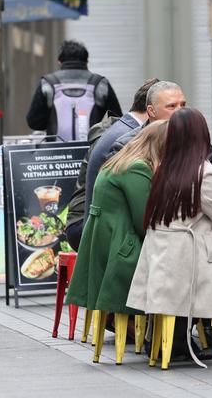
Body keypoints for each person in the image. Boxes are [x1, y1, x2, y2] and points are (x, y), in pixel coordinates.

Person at [127, 108, 212, 366]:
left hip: (164, 256)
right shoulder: (206, 173)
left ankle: (176, 344)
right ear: (202, 135)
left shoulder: (163, 168)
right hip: (189, 262)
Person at [66, 120, 168, 321]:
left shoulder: (121, 161)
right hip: (121, 251)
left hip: (107, 244)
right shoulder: (136, 168)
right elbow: (144, 223)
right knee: (180, 260)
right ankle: (172, 329)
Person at [63, 78, 159, 250]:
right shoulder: (128, 137)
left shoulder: (121, 129)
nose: (178, 113)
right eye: (171, 106)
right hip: (88, 225)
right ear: (151, 110)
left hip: (86, 219)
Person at [26, 39, 122, 141]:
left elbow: (34, 122)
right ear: (86, 61)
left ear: (59, 61)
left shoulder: (47, 84)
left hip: (56, 153)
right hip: (92, 153)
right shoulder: (100, 84)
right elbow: (116, 120)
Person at [107, 80, 186, 156]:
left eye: (183, 105)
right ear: (151, 111)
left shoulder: (191, 137)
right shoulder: (127, 146)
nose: (181, 111)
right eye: (172, 106)